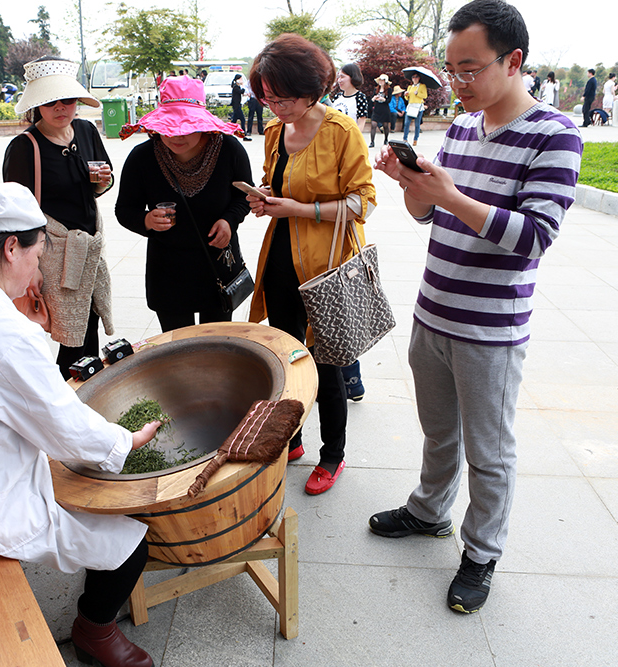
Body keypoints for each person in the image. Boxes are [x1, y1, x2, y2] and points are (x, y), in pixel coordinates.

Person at [370, 0, 582, 614]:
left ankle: (482, 551)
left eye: (470, 69)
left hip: (491, 329)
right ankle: (429, 511)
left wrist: (450, 195)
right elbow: (428, 215)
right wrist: (413, 186)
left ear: (513, 61)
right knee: (439, 432)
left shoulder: (555, 135)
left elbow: (535, 237)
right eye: (452, 69)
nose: (457, 83)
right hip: (433, 310)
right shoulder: (462, 128)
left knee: (489, 453)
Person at [0, 182, 161, 667]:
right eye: (38, 254)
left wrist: (37, 332)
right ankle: (94, 632)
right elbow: (67, 430)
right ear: (10, 248)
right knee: (132, 545)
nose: (40, 270)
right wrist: (127, 441)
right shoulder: (4, 333)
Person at [245, 34, 377, 495]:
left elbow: (363, 202)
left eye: (282, 98)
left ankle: (333, 455)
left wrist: (297, 209)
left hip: (327, 267)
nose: (274, 107)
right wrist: (264, 199)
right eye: (266, 97)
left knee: (327, 364)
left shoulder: (341, 131)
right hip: (281, 259)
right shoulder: (274, 131)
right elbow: (274, 183)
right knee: (287, 357)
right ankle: (293, 438)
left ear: (311, 90)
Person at [2, 56, 115, 379]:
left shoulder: (86, 130)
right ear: (37, 105)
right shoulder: (25, 146)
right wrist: (31, 267)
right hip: (52, 252)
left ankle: (86, 388)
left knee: (89, 322)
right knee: (69, 334)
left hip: (88, 245)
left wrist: (102, 181)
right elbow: (17, 212)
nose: (60, 108)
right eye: (50, 101)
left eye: (67, 99)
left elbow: (103, 182)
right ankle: (66, 392)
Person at [116, 76, 252, 332]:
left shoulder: (229, 150)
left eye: (187, 128)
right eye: (168, 127)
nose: (176, 136)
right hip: (168, 270)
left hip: (217, 264)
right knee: (178, 347)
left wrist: (229, 221)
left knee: (215, 344)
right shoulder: (142, 157)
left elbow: (244, 196)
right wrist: (146, 220)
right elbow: (124, 209)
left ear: (203, 124)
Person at [331, 63, 370, 134]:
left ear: (353, 77)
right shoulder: (337, 97)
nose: (339, 80)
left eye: (342, 77)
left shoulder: (360, 97)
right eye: (339, 77)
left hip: (350, 137)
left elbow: (361, 124)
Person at [403, 71, 428, 146]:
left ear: (419, 78)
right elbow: (407, 98)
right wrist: (406, 95)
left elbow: (425, 96)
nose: (415, 78)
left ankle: (415, 139)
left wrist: (418, 93)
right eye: (413, 77)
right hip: (411, 106)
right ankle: (405, 138)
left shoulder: (422, 86)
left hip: (418, 107)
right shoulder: (410, 87)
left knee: (417, 125)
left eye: (416, 77)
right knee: (406, 123)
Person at [369, 74, 393, 147]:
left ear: (385, 81)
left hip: (384, 109)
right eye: (380, 80)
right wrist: (374, 99)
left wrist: (383, 99)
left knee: (385, 125)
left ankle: (386, 139)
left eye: (382, 80)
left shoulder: (389, 89)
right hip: (377, 108)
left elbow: (389, 100)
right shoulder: (376, 89)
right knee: (373, 124)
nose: (380, 81)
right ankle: (372, 142)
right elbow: (372, 100)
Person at [230, 74, 252, 141]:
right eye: (240, 79)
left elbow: (240, 93)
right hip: (236, 106)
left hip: (237, 105)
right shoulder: (235, 87)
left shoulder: (237, 87)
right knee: (242, 119)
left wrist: (246, 94)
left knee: (234, 121)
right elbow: (241, 91)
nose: (241, 80)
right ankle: (244, 134)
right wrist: (243, 85)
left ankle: (229, 131)